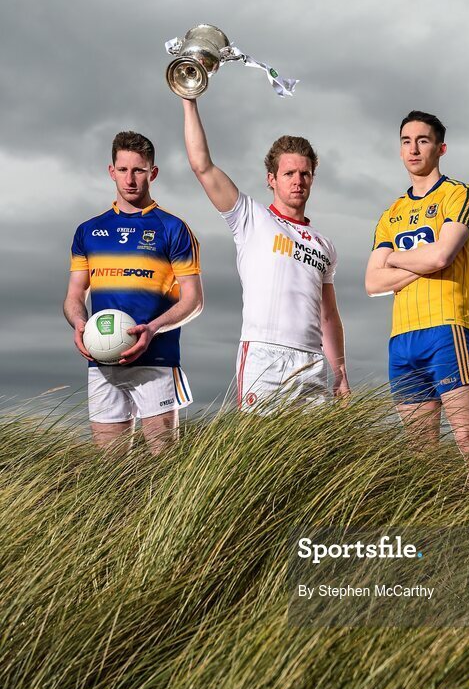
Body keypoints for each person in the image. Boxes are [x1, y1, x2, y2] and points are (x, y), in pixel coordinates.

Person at [181, 98, 349, 412]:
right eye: (289, 173)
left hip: (312, 360)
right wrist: (190, 102)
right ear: (271, 179)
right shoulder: (250, 217)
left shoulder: (324, 245)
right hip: (264, 354)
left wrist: (339, 372)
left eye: (305, 174)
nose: (298, 181)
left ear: (312, 178)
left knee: (313, 444)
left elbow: (329, 316)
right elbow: (202, 166)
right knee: (257, 441)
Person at [365, 110, 469, 476]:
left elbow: (441, 256)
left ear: (440, 148)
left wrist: (393, 259)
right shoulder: (391, 213)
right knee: (420, 452)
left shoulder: (460, 195)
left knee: (468, 437)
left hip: (448, 329)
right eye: (407, 142)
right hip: (402, 338)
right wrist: (420, 263)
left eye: (423, 141)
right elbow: (372, 283)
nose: (414, 149)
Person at [63, 131, 203, 454]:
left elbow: (194, 300)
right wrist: (79, 323)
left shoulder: (173, 229)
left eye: (139, 170)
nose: (130, 179)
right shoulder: (88, 231)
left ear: (153, 173)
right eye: (123, 170)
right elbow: (74, 296)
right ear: (111, 171)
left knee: (164, 464)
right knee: (109, 471)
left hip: (156, 360)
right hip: (103, 361)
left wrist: (152, 329)